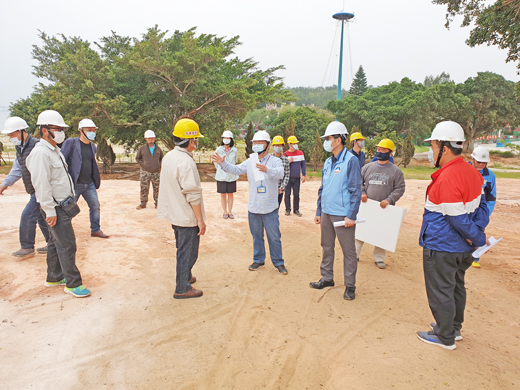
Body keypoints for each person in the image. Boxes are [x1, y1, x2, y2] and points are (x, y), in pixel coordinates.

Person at [417, 121, 489, 350]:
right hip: (462, 249)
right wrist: (476, 236)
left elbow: (456, 218)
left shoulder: (447, 177)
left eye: (434, 145)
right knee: (456, 286)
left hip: (442, 246)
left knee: (441, 290)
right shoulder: (472, 172)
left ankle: (444, 335)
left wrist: (477, 238)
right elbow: (482, 209)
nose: (432, 150)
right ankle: (454, 328)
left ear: (445, 148)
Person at [26, 110, 91, 298]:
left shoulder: (54, 150)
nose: (62, 132)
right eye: (58, 128)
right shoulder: (40, 153)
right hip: (54, 207)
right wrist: (49, 211)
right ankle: (73, 283)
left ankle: (54, 277)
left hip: (62, 204)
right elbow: (41, 185)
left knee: (55, 242)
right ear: (45, 130)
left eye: (62, 129)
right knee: (67, 244)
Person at [213, 130, 287, 274]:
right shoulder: (251, 160)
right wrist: (223, 164)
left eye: (260, 143)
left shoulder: (275, 161)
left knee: (274, 237)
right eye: (255, 143)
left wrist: (267, 169)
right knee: (256, 236)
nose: (257, 145)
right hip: (254, 206)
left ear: (268, 145)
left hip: (270, 207)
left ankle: (278, 262)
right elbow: (236, 170)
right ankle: (258, 260)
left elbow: (280, 173)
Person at [310, 121, 362, 300]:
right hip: (326, 212)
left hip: (342, 214)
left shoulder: (351, 161)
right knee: (327, 247)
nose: (326, 141)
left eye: (329, 138)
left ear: (338, 140)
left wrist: (351, 215)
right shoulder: (327, 162)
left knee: (348, 251)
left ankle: (350, 285)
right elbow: (323, 187)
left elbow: (356, 190)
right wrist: (319, 210)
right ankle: (327, 277)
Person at [157, 119, 206, 299]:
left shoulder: (170, 156)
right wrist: (200, 220)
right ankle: (182, 287)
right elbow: (192, 194)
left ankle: (185, 276)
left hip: (175, 214)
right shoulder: (186, 162)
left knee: (183, 247)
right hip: (186, 216)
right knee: (188, 252)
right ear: (191, 141)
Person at [0, 117, 50, 257]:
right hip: (33, 189)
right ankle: (52, 243)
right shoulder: (20, 148)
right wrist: (4, 184)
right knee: (41, 217)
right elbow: (17, 169)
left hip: (40, 189)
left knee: (27, 216)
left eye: (12, 135)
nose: (11, 138)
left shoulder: (37, 145)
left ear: (21, 131)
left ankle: (27, 247)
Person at [355, 139, 406, 269]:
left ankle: (379, 258)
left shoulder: (396, 171)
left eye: (384, 150)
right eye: (379, 149)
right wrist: (362, 193)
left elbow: (400, 188)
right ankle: (354, 255)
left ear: (390, 152)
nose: (380, 152)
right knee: (360, 232)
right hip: (368, 207)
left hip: (385, 209)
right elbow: (357, 182)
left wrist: (389, 199)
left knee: (382, 234)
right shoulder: (367, 168)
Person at [60, 119, 109, 238]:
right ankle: (62, 234)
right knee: (68, 210)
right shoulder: (71, 143)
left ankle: (95, 230)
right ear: (81, 131)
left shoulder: (92, 146)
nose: (92, 132)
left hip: (89, 184)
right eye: (89, 130)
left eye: (93, 130)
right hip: (75, 184)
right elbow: (62, 162)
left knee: (95, 206)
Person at [470, 146, 497, 268]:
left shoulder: (490, 176)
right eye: (478, 162)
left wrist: (486, 213)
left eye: (484, 162)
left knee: (478, 232)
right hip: (465, 208)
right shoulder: (464, 170)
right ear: (472, 159)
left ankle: (475, 258)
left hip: (480, 210)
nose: (481, 164)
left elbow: (491, 197)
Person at [136, 130, 164, 209]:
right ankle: (143, 203)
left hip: (156, 173)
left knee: (157, 188)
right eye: (149, 138)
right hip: (145, 172)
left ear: (154, 138)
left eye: (152, 138)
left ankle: (158, 203)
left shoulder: (158, 149)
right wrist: (143, 165)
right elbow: (138, 158)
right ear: (146, 139)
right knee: (144, 188)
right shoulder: (142, 149)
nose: (151, 139)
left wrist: (159, 166)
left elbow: (162, 159)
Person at [214, 130, 238, 219]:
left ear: (231, 139)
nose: (226, 139)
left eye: (228, 138)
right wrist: (220, 170)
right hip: (221, 175)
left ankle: (230, 211)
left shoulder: (234, 150)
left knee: (230, 194)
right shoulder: (219, 149)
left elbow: (234, 161)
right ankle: (224, 211)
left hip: (231, 175)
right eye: (224, 138)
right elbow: (216, 162)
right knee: (223, 194)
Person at [284, 135, 306, 216]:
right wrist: (287, 162)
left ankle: (296, 209)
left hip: (297, 178)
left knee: (296, 194)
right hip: (288, 178)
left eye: (296, 143)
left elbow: (303, 164)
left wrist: (304, 174)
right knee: (287, 194)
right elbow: (282, 166)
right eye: (294, 143)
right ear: (289, 145)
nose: (296, 145)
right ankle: (287, 209)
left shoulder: (300, 153)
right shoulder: (285, 154)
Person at [271, 135, 290, 208]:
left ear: (282, 147)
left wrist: (282, 187)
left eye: (279, 145)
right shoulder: (269, 159)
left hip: (280, 190)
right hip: (270, 189)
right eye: (276, 145)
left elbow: (287, 175)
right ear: (273, 146)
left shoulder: (285, 160)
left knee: (277, 207)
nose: (278, 147)